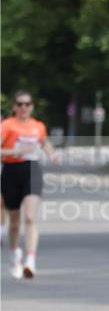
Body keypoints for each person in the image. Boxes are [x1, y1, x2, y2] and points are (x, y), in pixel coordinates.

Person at [1, 91, 59, 279]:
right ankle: (14, 255)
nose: (24, 107)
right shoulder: (7, 125)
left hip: (32, 171)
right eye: (20, 104)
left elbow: (44, 142)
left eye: (27, 104)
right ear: (14, 107)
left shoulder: (38, 126)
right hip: (10, 171)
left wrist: (51, 154)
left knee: (30, 216)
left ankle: (30, 261)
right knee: (15, 221)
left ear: (32, 106)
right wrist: (16, 150)